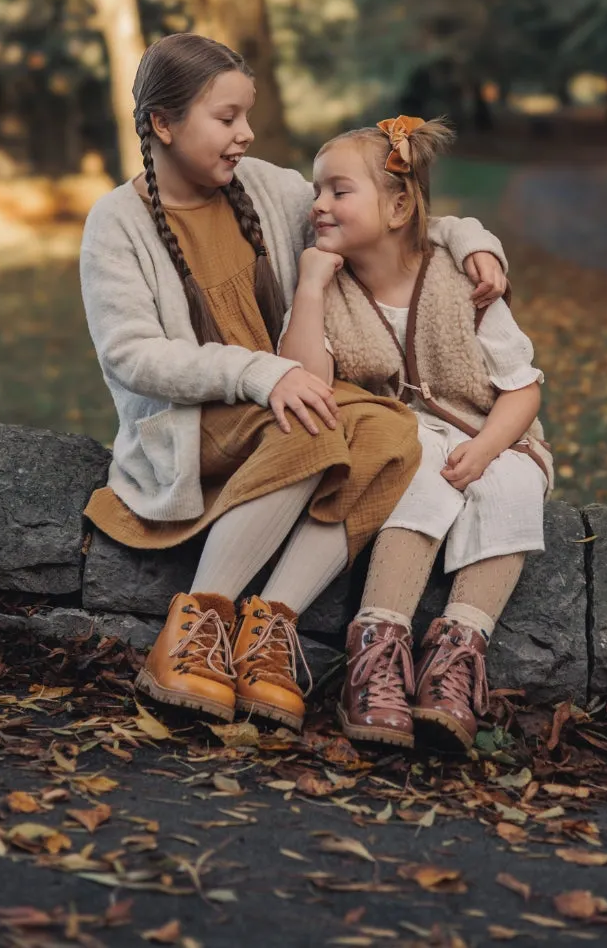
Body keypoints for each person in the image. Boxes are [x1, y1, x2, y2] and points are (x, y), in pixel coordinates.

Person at [79, 37, 508, 733]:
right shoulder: (117, 223)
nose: (245, 133)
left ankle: (267, 633)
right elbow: (132, 355)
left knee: (392, 431)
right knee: (314, 420)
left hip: (289, 400)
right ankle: (195, 626)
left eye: (245, 115)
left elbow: (382, 211)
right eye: (226, 118)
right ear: (163, 123)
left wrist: (472, 239)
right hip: (198, 427)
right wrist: (259, 371)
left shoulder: (268, 189)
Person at [280, 115, 553, 751]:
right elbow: (305, 378)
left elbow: (522, 387)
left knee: (515, 484)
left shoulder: (463, 278)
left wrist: (488, 449)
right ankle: (376, 653)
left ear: (400, 205)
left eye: (338, 191)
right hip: (396, 436)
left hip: (493, 432)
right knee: (418, 466)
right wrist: (312, 289)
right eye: (317, 190)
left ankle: (456, 656)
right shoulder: (329, 286)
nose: (318, 204)